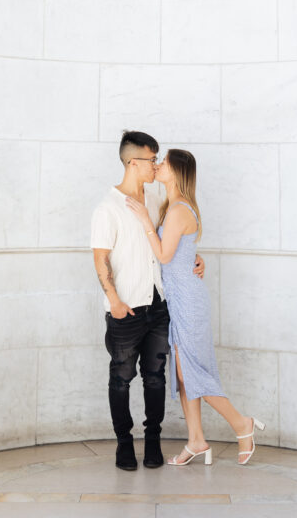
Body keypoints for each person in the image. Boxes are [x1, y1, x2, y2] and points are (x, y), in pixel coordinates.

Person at [126, 148, 265, 466]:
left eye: (164, 163)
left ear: (176, 171)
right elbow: (180, 255)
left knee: (192, 372)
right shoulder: (172, 206)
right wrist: (197, 260)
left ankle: (241, 424)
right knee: (183, 372)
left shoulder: (177, 210)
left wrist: (144, 218)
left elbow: (163, 255)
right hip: (179, 299)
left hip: (187, 302)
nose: (158, 166)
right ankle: (197, 440)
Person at [91, 131, 205, 472]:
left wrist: (196, 260)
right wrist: (114, 300)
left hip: (159, 307)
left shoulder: (158, 201)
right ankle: (124, 445)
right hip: (125, 307)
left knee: (155, 377)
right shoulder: (106, 208)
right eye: (151, 159)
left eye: (158, 159)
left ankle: (152, 442)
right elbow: (101, 261)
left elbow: (171, 245)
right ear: (133, 162)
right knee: (122, 377)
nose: (156, 164)